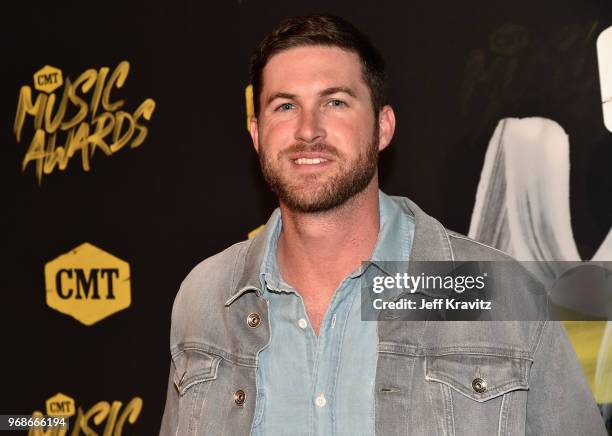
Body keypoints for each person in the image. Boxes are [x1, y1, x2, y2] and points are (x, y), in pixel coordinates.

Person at [160, 14, 607, 435]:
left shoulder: (492, 291)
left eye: (335, 102)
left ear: (383, 127)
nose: (308, 130)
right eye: (284, 106)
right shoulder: (207, 298)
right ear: (256, 133)